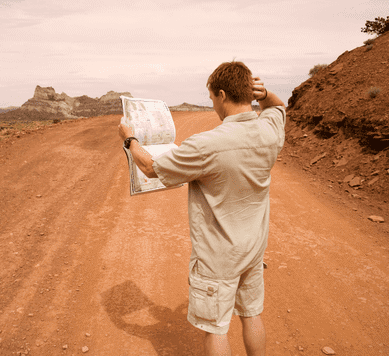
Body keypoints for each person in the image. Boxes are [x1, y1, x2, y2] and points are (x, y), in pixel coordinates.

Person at [118, 61, 286, 356]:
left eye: (211, 99)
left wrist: (129, 139)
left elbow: (150, 167)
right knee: (251, 315)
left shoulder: (207, 145)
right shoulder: (269, 132)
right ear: (250, 92)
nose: (212, 106)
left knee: (216, 329)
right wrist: (266, 93)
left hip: (218, 258)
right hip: (254, 250)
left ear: (221, 94)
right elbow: (278, 107)